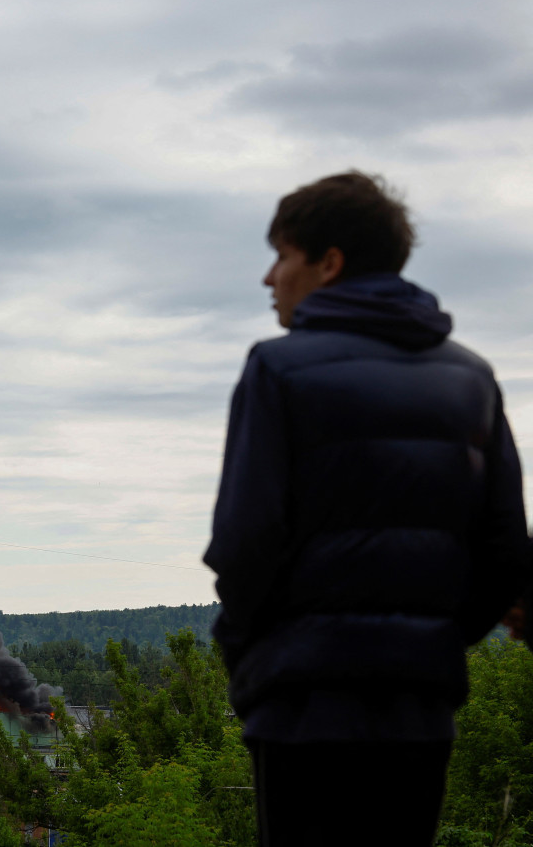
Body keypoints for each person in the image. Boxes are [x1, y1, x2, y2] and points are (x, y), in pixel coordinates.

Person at [204, 171, 530, 846]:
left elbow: (244, 543)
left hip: (302, 707)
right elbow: (504, 555)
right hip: (420, 710)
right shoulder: (471, 376)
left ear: (330, 263)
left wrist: (250, 655)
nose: (270, 278)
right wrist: (428, 642)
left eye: (283, 256)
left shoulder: (278, 369)